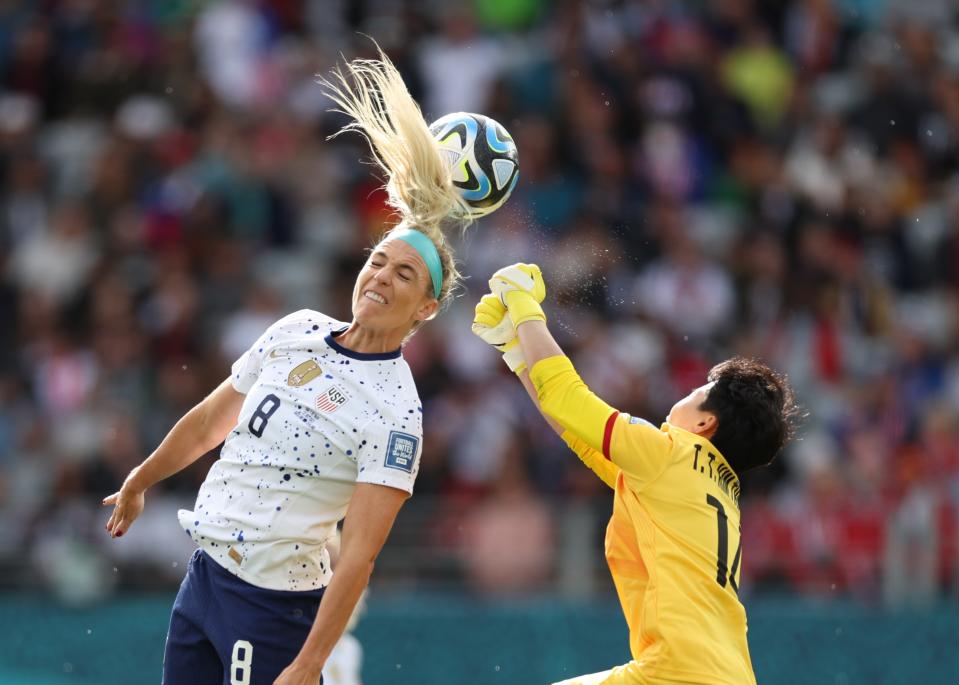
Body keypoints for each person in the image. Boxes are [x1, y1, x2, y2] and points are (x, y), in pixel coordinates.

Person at [102, 47, 474, 685]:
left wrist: (309, 663)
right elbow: (209, 422)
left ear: (427, 308)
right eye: (380, 259)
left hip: (273, 607)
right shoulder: (298, 330)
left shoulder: (397, 412)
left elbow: (357, 558)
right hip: (206, 578)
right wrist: (142, 477)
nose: (382, 275)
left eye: (405, 273)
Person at [472, 264, 799, 685]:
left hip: (676, 674)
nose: (681, 396)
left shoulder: (668, 455)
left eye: (696, 393)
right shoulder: (710, 484)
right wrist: (517, 351)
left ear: (705, 424)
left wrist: (524, 307)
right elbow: (579, 435)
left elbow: (570, 398)